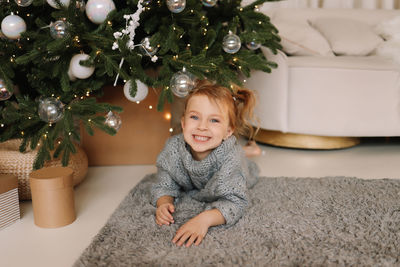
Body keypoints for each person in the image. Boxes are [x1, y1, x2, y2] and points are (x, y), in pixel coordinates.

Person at [151, 80, 260, 247]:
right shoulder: (174, 147)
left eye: (214, 120)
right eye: (194, 117)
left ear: (228, 131)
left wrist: (204, 219)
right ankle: (248, 149)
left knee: (242, 157)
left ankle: (248, 151)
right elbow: (164, 180)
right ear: (183, 123)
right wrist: (164, 202)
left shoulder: (231, 161)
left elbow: (236, 202)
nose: (202, 127)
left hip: (237, 165)